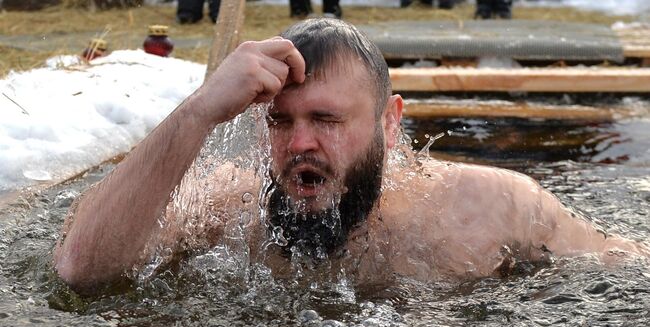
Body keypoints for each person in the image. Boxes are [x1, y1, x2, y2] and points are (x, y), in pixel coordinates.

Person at [53, 18, 648, 294]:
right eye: (281, 121)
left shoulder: (489, 206)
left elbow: (624, 271)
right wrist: (197, 112)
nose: (300, 144)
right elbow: (80, 270)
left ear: (391, 124)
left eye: (327, 120)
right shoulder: (232, 209)